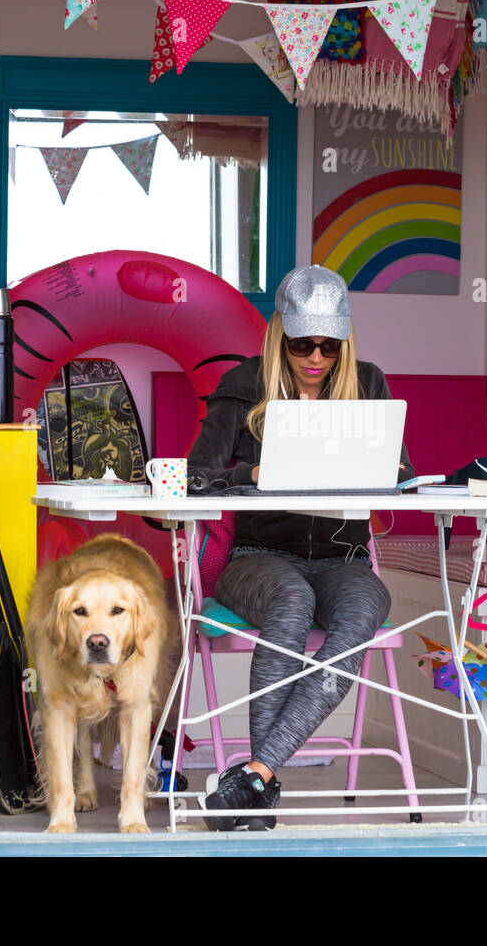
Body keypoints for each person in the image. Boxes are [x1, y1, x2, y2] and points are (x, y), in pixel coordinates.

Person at [186, 264, 413, 831]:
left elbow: (403, 473)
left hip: (344, 559)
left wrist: (389, 471)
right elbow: (195, 476)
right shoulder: (242, 388)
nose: (316, 357)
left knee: (362, 611)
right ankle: (259, 786)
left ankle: (257, 777)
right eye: (301, 344)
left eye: (328, 345)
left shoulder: (369, 386)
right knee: (291, 602)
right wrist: (254, 471)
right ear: (278, 335)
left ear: (343, 342)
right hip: (258, 559)